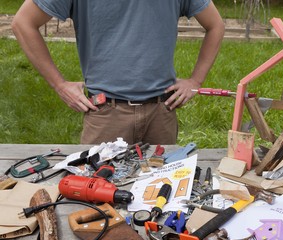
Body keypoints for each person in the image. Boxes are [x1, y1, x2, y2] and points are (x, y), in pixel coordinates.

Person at [12, 0, 225, 145]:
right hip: (106, 115)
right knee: (98, 201)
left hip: (161, 113)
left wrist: (195, 81)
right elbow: (23, 23)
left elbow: (215, 25)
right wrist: (59, 85)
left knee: (160, 200)